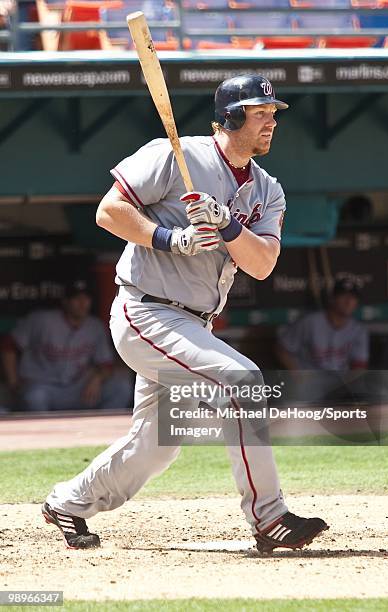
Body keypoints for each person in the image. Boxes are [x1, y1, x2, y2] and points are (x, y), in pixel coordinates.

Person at [42, 74, 328, 553]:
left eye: (273, 114)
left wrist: (228, 224)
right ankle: (269, 516)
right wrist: (168, 238)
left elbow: (261, 265)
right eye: (260, 113)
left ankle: (69, 502)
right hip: (145, 310)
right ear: (232, 116)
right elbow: (108, 212)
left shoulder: (267, 189)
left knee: (156, 446)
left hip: (193, 322)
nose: (270, 123)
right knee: (242, 381)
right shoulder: (173, 154)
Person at [1, 280, 133, 412]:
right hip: (43, 387)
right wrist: (13, 382)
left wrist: (98, 378)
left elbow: (106, 364)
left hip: (78, 389)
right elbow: (9, 345)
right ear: (65, 301)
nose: (82, 303)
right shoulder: (41, 320)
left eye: (86, 298)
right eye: (76, 298)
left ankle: (102, 430)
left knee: (121, 386)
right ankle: (44, 431)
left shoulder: (95, 326)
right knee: (34, 397)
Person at [275, 279, 369, 404]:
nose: (348, 302)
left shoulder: (358, 329)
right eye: (343, 296)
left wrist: (352, 387)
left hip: (339, 381)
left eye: (353, 298)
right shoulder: (310, 322)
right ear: (333, 299)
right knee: (293, 398)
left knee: (365, 396)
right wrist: (297, 374)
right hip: (311, 381)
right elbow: (281, 349)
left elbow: (359, 366)